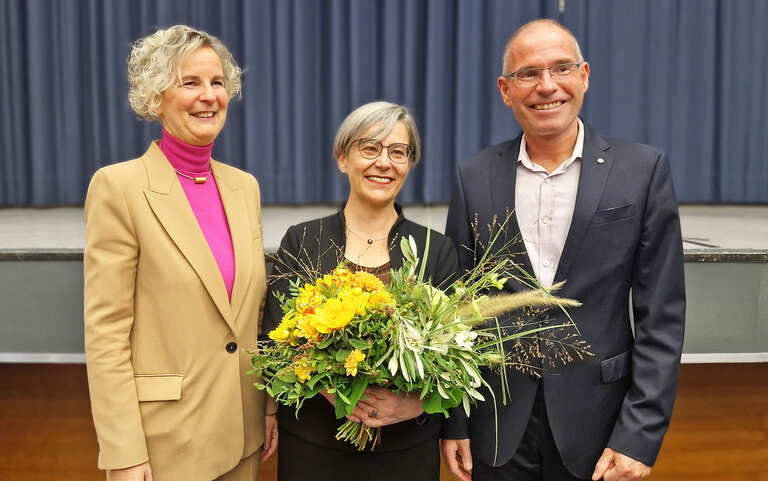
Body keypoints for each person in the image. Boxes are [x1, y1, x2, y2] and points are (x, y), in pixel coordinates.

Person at [441, 19, 685, 481]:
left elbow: (662, 317)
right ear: (505, 89)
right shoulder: (473, 176)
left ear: (585, 75)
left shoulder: (642, 170)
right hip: (495, 426)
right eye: (528, 73)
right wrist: (454, 422)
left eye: (561, 68)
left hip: (600, 429)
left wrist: (639, 434)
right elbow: (457, 311)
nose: (546, 86)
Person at [84, 25, 277, 481]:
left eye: (216, 83)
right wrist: (124, 451)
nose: (208, 96)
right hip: (162, 446)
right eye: (189, 82)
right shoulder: (118, 187)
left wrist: (269, 403)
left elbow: (253, 311)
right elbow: (106, 336)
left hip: (243, 436)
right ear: (156, 97)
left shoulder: (243, 187)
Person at [262, 101, 458, 481]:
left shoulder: (437, 249)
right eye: (369, 148)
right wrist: (332, 388)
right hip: (314, 445)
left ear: (409, 164)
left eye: (397, 152)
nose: (383, 162)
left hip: (406, 451)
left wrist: (414, 404)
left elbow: (456, 358)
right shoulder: (303, 240)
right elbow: (273, 344)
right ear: (343, 158)